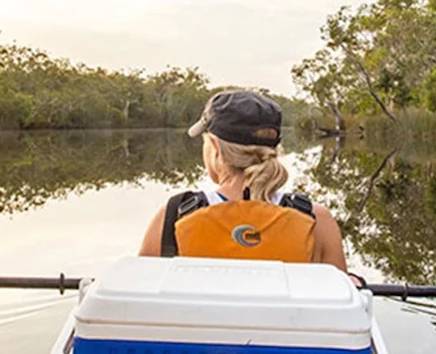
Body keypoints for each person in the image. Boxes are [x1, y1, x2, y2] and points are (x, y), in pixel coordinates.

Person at [138, 90, 348, 272]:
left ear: (215, 147)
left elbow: (139, 291)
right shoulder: (316, 220)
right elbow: (340, 299)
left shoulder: (174, 216)